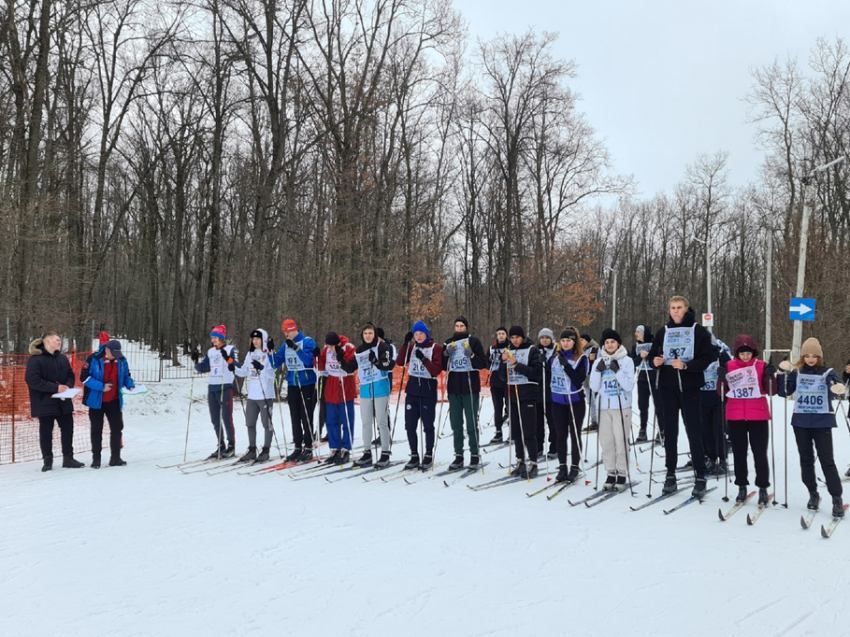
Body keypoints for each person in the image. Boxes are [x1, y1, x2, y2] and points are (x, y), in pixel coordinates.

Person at [648, 296, 715, 498]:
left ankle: (700, 475)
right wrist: (655, 361)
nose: (675, 311)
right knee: (670, 432)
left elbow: (708, 357)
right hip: (667, 388)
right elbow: (653, 355)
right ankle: (670, 474)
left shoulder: (698, 331)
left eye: (679, 308)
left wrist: (687, 366)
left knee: (694, 431)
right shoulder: (663, 332)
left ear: (686, 309)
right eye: (672, 308)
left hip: (690, 387)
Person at [777, 337, 846, 517]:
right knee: (806, 460)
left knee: (826, 460)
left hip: (822, 422)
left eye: (814, 356)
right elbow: (784, 392)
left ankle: (836, 498)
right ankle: (813, 494)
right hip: (801, 423)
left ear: (820, 356)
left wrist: (837, 387)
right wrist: (780, 374)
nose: (810, 359)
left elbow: (835, 384)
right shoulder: (797, 372)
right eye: (807, 355)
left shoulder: (827, 372)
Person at [718, 335, 775, 505]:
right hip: (735, 416)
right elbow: (721, 392)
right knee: (739, 453)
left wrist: (771, 376)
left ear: (753, 352)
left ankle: (763, 487)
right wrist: (721, 377)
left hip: (758, 415)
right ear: (737, 353)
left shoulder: (761, 366)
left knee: (760, 453)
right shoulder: (729, 366)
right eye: (742, 353)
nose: (745, 356)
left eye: (748, 353)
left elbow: (771, 390)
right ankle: (741, 486)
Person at [26, 333, 82, 471]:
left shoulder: (62, 358)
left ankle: (68, 458)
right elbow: (33, 380)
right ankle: (47, 460)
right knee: (46, 432)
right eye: (57, 340)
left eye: (59, 340)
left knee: (68, 429)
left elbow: (70, 374)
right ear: (48, 341)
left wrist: (67, 386)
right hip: (44, 401)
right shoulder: (35, 360)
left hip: (63, 401)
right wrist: (55, 388)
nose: (59, 342)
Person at [589, 329, 636, 490]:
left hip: (622, 407)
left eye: (613, 342)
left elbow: (629, 386)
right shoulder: (598, 361)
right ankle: (610, 472)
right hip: (604, 407)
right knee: (606, 442)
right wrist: (597, 371)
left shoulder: (627, 361)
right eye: (607, 342)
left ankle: (622, 473)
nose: (609, 345)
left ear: (618, 344)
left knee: (621, 442)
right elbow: (594, 386)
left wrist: (617, 371)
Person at [80, 339, 135, 468]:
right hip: (96, 401)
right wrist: (101, 386)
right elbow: (84, 378)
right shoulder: (94, 358)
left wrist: (130, 385)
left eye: (117, 354)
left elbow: (126, 375)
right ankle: (96, 459)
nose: (115, 356)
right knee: (96, 430)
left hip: (114, 400)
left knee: (117, 429)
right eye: (113, 353)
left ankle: (115, 458)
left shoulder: (121, 360)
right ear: (106, 350)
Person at [396, 321, 443, 470]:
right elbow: (400, 362)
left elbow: (436, 370)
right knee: (410, 425)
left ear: (426, 334)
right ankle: (414, 455)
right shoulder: (412, 346)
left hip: (427, 390)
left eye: (421, 334)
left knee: (428, 425)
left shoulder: (436, 348)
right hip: (412, 390)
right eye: (416, 334)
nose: (419, 337)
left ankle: (428, 454)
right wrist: (405, 343)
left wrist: (423, 359)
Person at [496, 326, 542, 479]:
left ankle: (534, 462)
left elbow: (536, 373)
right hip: (512, 394)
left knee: (529, 430)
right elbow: (503, 377)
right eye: (513, 337)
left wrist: (517, 365)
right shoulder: (508, 350)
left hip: (528, 393)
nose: (515, 340)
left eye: (517, 337)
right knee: (515, 430)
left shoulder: (532, 350)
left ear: (523, 337)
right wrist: (503, 363)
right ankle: (520, 460)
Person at [269, 319, 317, 461]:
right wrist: (270, 351)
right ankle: (297, 446)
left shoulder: (308, 342)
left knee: (306, 416)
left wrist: (296, 348)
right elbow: (275, 363)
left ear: (294, 329)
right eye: (285, 332)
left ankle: (308, 446)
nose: (287, 334)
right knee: (294, 416)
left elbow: (309, 360)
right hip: (292, 384)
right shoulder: (285, 345)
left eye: (288, 331)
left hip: (307, 383)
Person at [443, 316, 487, 471]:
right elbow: (443, 365)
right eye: (457, 326)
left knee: (471, 423)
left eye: (462, 326)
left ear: (466, 327)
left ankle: (474, 454)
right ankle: (459, 455)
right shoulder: (449, 342)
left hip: (470, 388)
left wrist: (472, 355)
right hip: (454, 388)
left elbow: (483, 363)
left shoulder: (474, 342)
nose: (459, 328)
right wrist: (446, 354)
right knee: (456, 424)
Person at [548, 327, 589, 483]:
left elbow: (579, 379)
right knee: (560, 435)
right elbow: (548, 376)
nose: (565, 343)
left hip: (575, 402)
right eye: (563, 340)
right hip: (557, 402)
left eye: (569, 341)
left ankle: (574, 467)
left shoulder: (581, 358)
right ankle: (563, 466)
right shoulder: (553, 358)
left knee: (574, 434)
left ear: (574, 342)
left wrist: (566, 365)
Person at [192, 325, 239, 458]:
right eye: (212, 338)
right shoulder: (210, 351)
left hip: (225, 386)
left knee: (226, 417)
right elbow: (202, 367)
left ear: (222, 338)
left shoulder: (231, 349)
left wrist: (227, 358)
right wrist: (195, 360)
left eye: (216, 338)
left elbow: (236, 365)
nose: (213, 340)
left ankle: (231, 446)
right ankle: (221, 444)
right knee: (215, 419)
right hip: (212, 387)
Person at [354, 323, 395, 468]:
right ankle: (367, 453)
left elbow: (388, 365)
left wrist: (376, 361)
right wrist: (340, 358)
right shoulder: (360, 349)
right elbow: (350, 366)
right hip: (365, 389)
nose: (368, 336)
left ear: (375, 334)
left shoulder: (382, 346)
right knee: (366, 423)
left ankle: (385, 452)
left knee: (382, 422)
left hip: (380, 388)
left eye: (370, 333)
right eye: (365, 333)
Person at [233, 329, 276, 463]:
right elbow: (244, 371)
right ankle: (252, 449)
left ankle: (266, 450)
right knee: (250, 423)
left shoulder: (269, 354)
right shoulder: (250, 354)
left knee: (266, 423)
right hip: (252, 395)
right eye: (253, 339)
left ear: (263, 339)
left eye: (257, 339)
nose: (255, 341)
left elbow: (272, 374)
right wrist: (233, 367)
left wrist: (262, 369)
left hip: (265, 394)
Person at [317, 332, 357, 464]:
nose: (331, 348)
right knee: (331, 420)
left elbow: (352, 367)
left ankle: (346, 449)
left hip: (345, 385)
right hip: (332, 386)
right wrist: (316, 356)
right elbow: (321, 365)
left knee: (346, 420)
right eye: (329, 346)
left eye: (333, 346)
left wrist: (342, 357)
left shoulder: (348, 347)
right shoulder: (326, 350)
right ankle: (335, 448)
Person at [700, 336, 731, 475]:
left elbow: (732, 369)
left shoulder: (721, 354)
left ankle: (723, 460)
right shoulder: (697, 353)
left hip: (718, 396)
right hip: (702, 395)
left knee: (718, 429)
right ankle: (711, 458)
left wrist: (724, 372)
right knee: (706, 430)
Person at [630, 325, 658, 443]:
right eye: (636, 331)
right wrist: (639, 357)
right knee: (642, 405)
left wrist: (649, 357)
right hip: (642, 378)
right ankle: (643, 430)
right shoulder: (635, 346)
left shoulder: (655, 344)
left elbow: (657, 359)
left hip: (655, 377)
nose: (636, 334)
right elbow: (632, 362)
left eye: (639, 332)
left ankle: (661, 430)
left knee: (658, 405)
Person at [536, 328, 557, 460]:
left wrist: (547, 363)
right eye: (542, 337)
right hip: (538, 391)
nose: (544, 340)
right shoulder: (535, 350)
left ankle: (554, 447)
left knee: (552, 421)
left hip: (552, 391)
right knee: (537, 422)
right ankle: (538, 447)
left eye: (547, 337)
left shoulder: (556, 351)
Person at [487, 327, 509, 444]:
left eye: (503, 334)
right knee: (497, 406)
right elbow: (486, 363)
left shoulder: (510, 347)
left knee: (510, 406)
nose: (501, 336)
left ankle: (513, 432)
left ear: (506, 335)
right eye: (499, 334)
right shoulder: (492, 348)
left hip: (507, 378)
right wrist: (490, 359)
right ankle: (498, 431)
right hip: (495, 379)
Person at [580, 334, 600, 432]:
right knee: (590, 401)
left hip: (594, 379)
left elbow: (594, 363)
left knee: (595, 400)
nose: (580, 342)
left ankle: (600, 420)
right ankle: (594, 421)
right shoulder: (582, 350)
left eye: (582, 340)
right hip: (586, 380)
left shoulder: (594, 348)